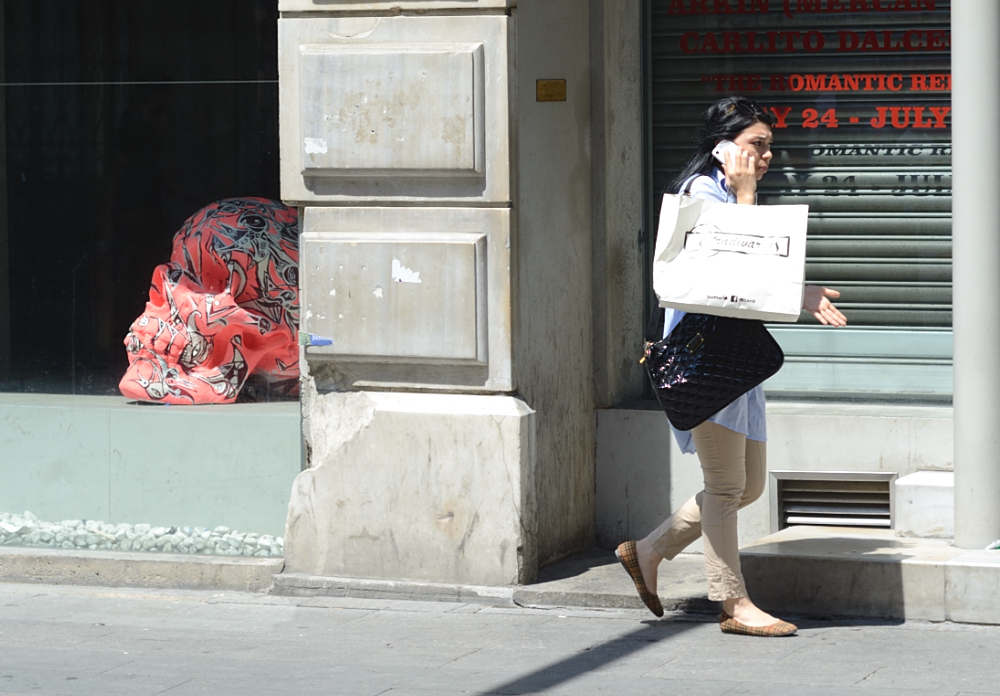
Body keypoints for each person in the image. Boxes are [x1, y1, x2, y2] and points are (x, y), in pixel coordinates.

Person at [616, 96, 847, 637]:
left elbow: (751, 284)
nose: (766, 156)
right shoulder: (701, 195)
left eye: (770, 147)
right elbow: (739, 269)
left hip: (734, 360)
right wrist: (745, 196)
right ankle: (733, 604)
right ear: (723, 149)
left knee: (747, 488)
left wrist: (802, 292)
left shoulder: (728, 193)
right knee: (724, 487)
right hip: (705, 361)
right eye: (756, 146)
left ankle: (648, 551)